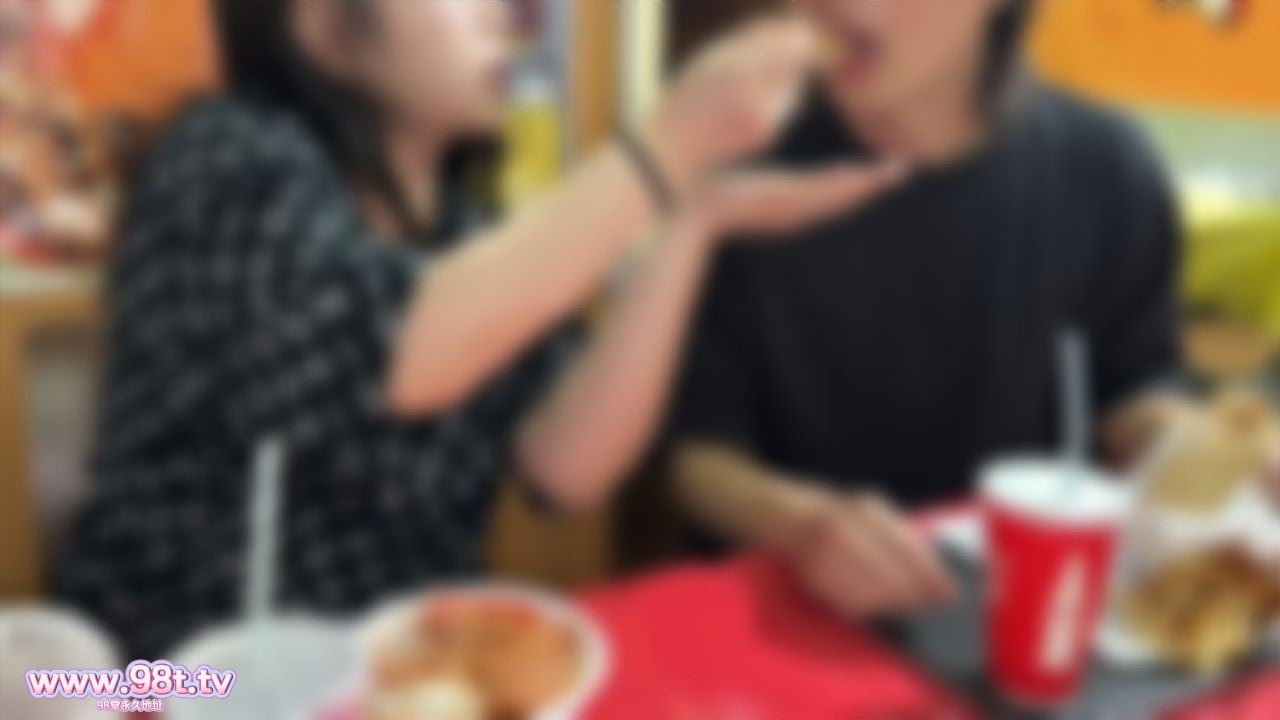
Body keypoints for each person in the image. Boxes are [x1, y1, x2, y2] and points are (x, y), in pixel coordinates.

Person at [60, 0, 903, 657]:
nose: (514, 13)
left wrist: (693, 221)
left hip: (394, 683)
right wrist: (667, 146)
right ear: (325, 25)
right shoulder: (224, 160)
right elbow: (397, 353)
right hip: (155, 675)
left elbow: (567, 466)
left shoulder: (471, 232)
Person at [669, 0, 1202, 618]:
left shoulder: (1104, 166)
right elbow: (697, 455)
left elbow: (1133, 387)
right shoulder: (739, 173)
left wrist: (1199, 445)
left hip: (1014, 610)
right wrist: (802, 525)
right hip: (783, 614)